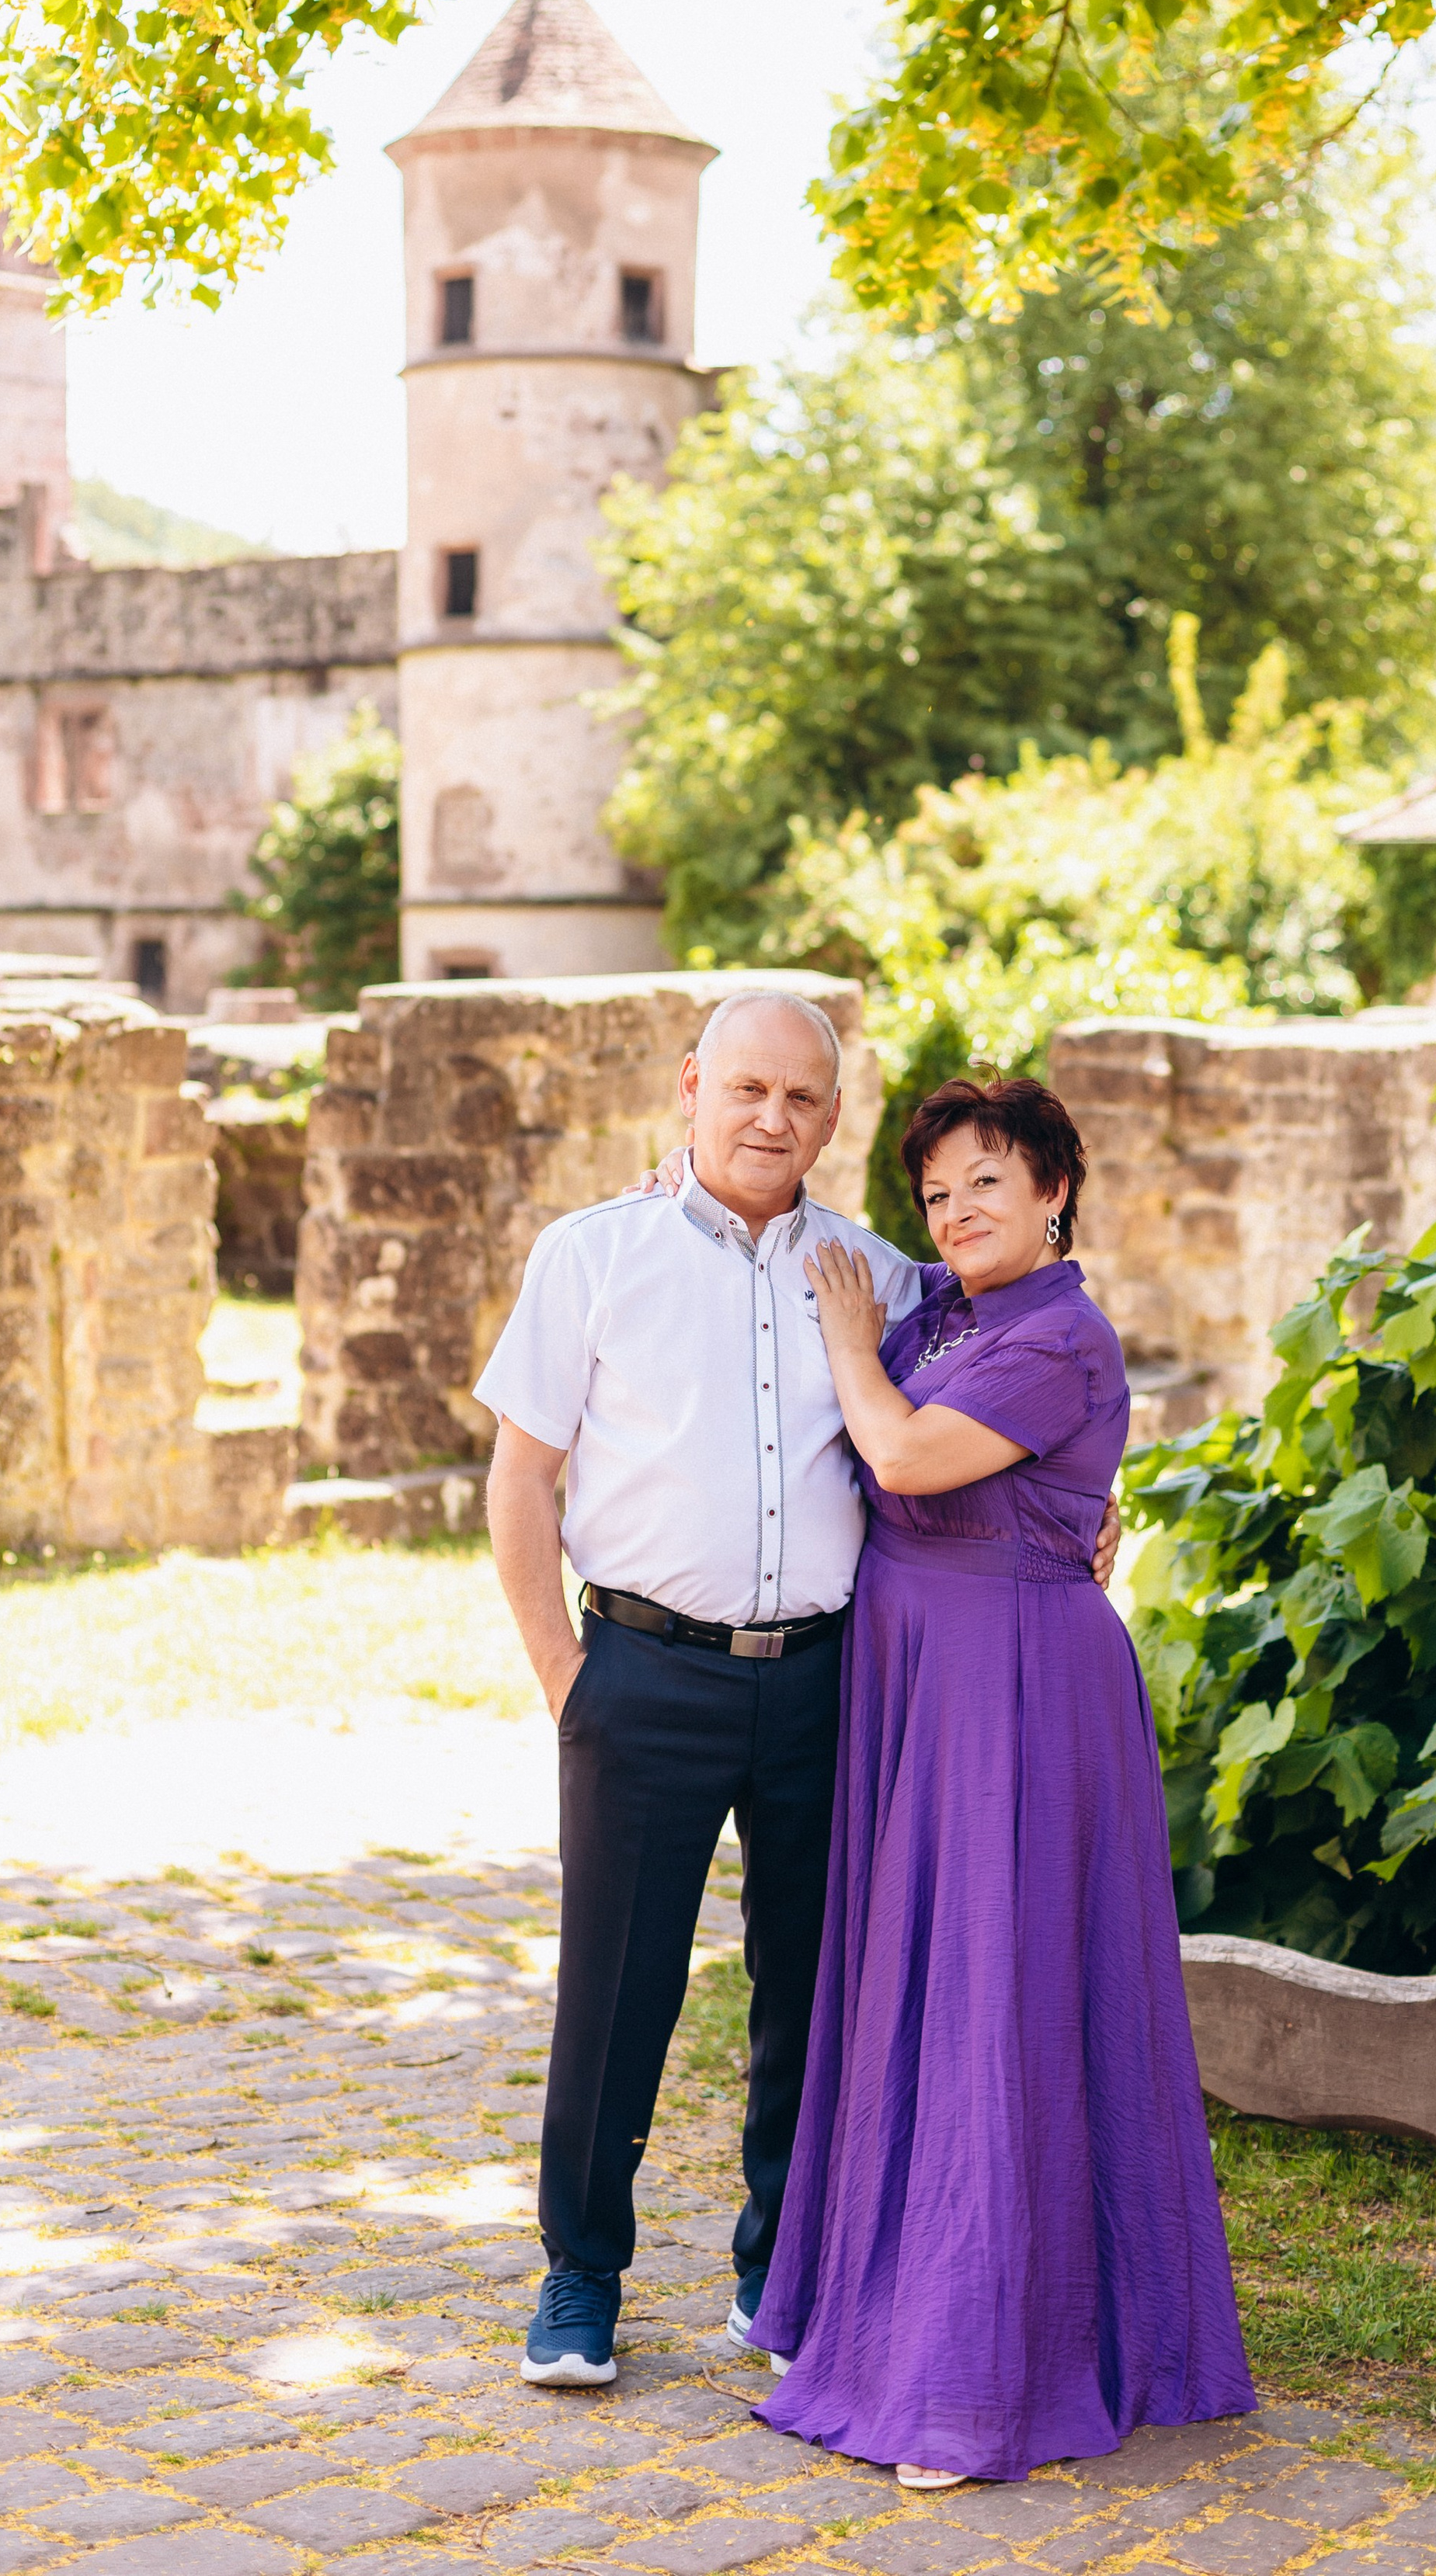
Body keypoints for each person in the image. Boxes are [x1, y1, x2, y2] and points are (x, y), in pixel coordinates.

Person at [476, 994, 1118, 2387]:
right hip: (642, 1671)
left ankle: (781, 2272)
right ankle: (580, 2279)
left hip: (835, 1684)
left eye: (805, 1100)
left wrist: (1088, 1514)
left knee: (816, 1992)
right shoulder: (592, 1255)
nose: (774, 1118)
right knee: (616, 1988)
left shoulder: (884, 1273)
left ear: (835, 1117)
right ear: (693, 1086)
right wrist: (565, 1680)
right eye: (749, 1089)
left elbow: (1014, 1370)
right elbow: (520, 1475)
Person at [753, 1073, 1254, 2486]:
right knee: (909, 1989)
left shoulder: (1058, 1332)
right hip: (918, 1678)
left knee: (997, 2002)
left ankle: (977, 2381)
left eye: (990, 1181)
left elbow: (905, 1455)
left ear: (1054, 1193)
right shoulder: (951, 1309)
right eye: (938, 1189)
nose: (960, 1208)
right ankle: (879, 2313)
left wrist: (853, 1344)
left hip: (1019, 1690)